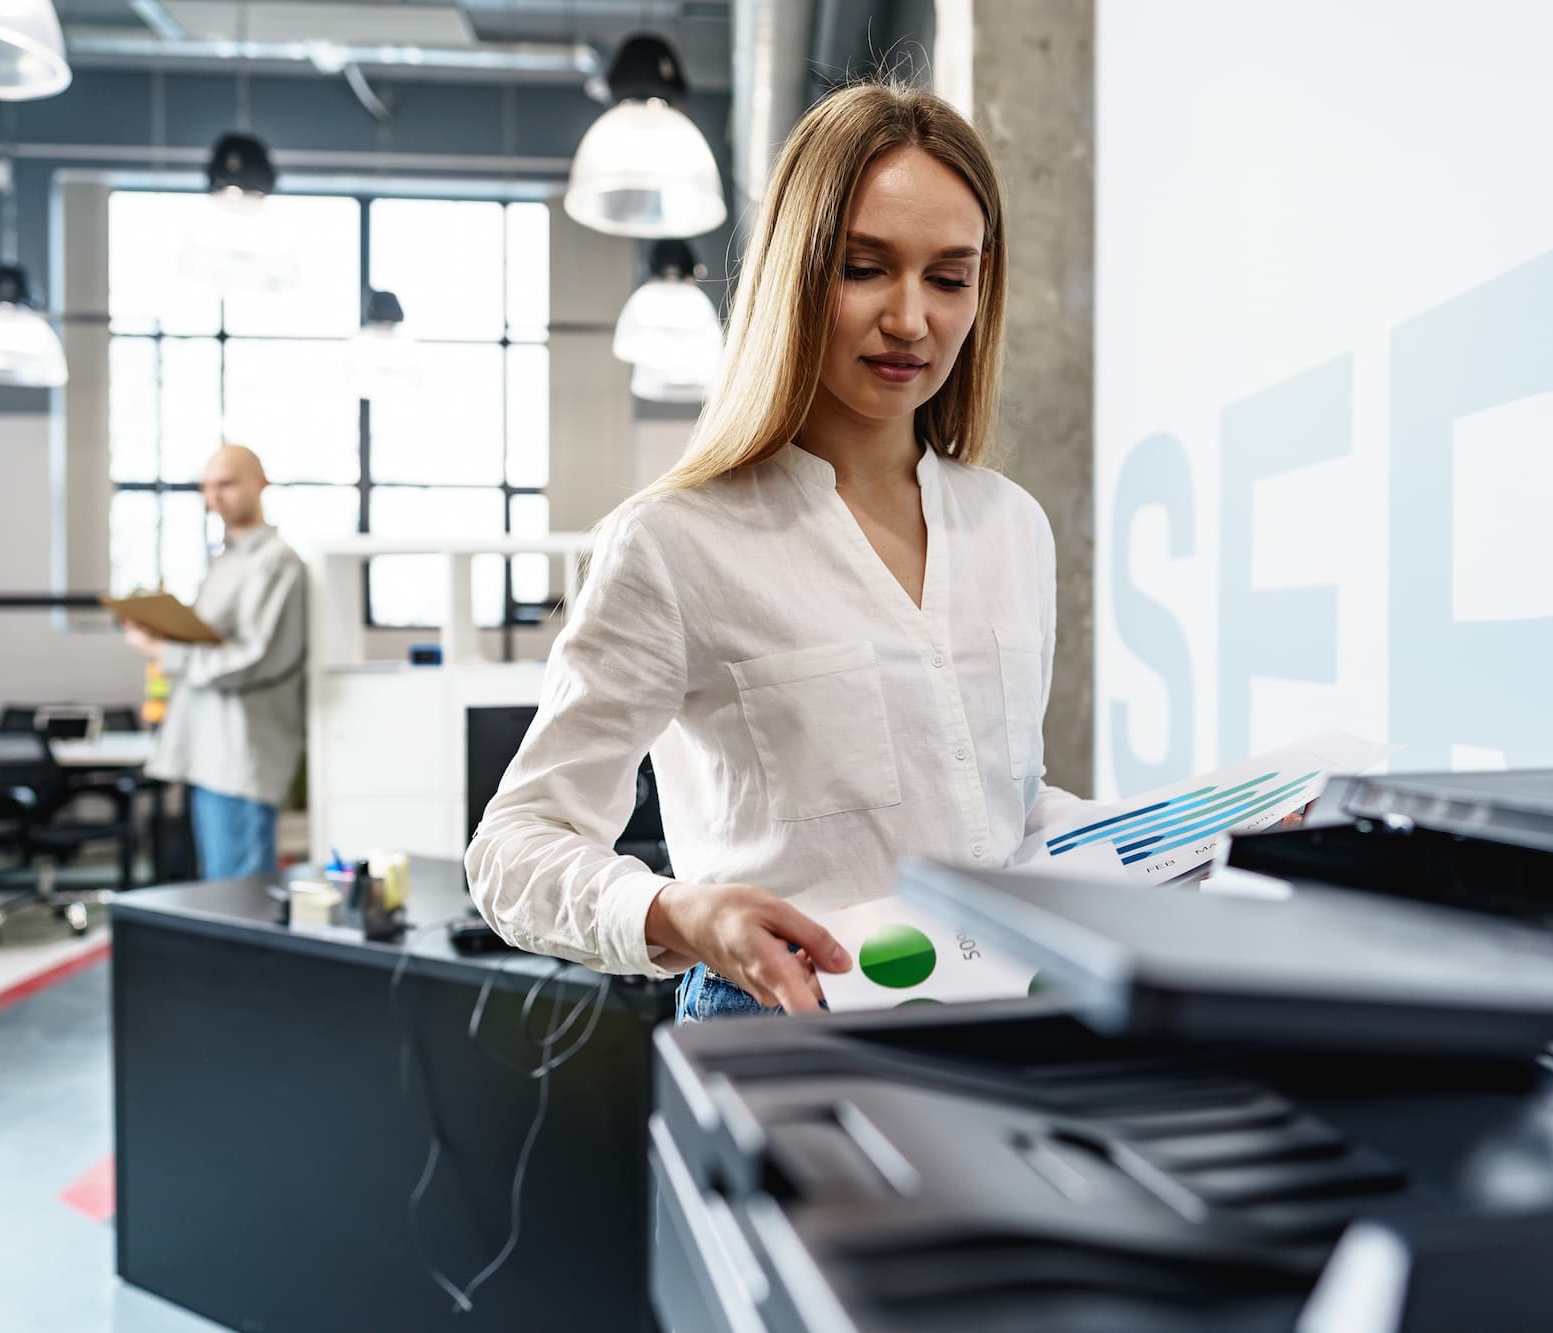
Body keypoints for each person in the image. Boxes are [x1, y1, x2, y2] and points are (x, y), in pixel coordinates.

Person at [467, 79, 1099, 1022]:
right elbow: (517, 843)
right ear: (796, 273)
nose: (911, 320)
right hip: (785, 1028)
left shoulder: (1010, 525)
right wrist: (681, 912)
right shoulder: (677, 543)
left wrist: (1204, 833)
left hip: (1006, 1012)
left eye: (949, 276)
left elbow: (998, 806)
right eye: (864, 268)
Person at [123, 444, 306, 880]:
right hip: (208, 749)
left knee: (239, 893)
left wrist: (163, 652)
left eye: (226, 484)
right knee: (221, 889)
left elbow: (254, 658)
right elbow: (213, 640)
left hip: (240, 754)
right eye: (206, 487)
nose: (214, 497)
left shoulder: (277, 562)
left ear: (260, 484)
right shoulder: (226, 559)